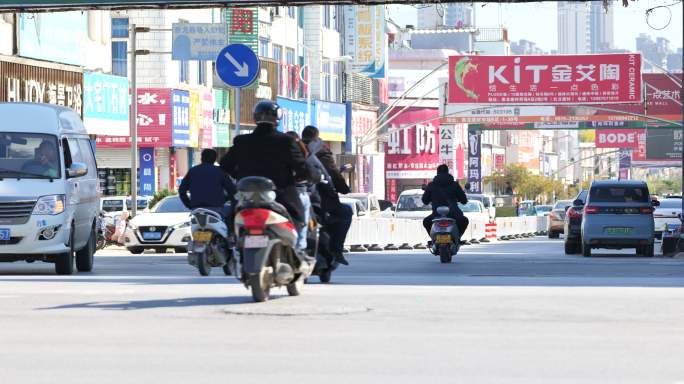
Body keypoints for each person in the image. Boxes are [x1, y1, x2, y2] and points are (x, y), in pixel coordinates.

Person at [220, 101, 312, 256]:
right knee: (298, 218)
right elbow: (302, 168)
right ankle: (297, 251)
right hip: (281, 197)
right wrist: (306, 176)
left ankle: (233, 243)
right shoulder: (286, 141)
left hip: (246, 199)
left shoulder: (241, 141)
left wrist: (242, 178)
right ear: (278, 118)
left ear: (255, 118)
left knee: (232, 219)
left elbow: (225, 165)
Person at [301, 125, 352, 266]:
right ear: (316, 137)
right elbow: (332, 173)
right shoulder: (321, 151)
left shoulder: (295, 149)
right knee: (346, 212)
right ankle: (337, 250)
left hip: (295, 197)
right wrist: (344, 189)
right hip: (320, 200)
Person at [178, 149, 236, 216]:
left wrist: (189, 205)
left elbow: (182, 191)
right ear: (214, 159)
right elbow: (232, 190)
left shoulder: (192, 171)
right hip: (216, 210)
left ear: (201, 158)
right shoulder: (220, 171)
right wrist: (227, 199)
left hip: (197, 210)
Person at [421, 164, 469, 242]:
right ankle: (458, 239)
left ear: (437, 173)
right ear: (448, 172)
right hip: (454, 214)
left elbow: (425, 201)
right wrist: (460, 200)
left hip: (436, 215)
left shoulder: (431, 185)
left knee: (426, 222)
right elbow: (464, 200)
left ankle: (434, 240)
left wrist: (431, 199)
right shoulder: (454, 184)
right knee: (464, 221)